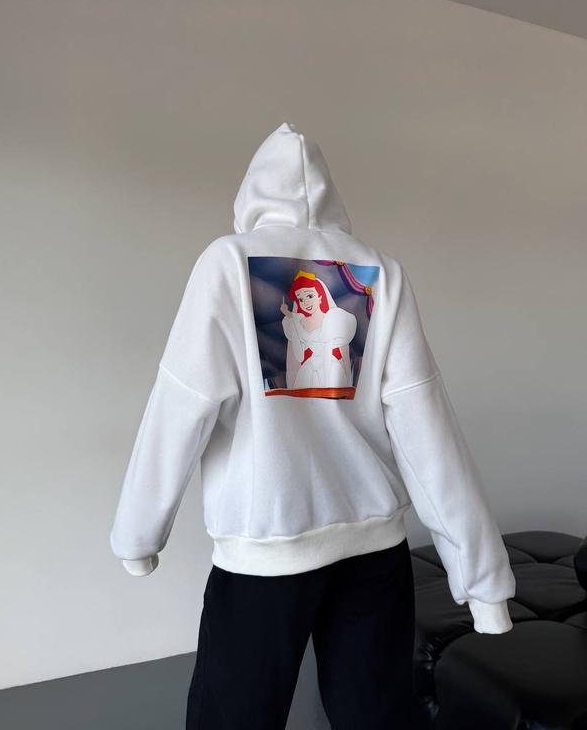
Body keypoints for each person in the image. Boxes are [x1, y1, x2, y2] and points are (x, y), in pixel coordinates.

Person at [110, 122, 516, 730]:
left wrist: (138, 537)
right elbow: (425, 424)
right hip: (373, 551)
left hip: (263, 554)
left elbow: (181, 405)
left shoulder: (228, 262)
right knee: (378, 717)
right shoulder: (381, 271)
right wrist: (483, 582)